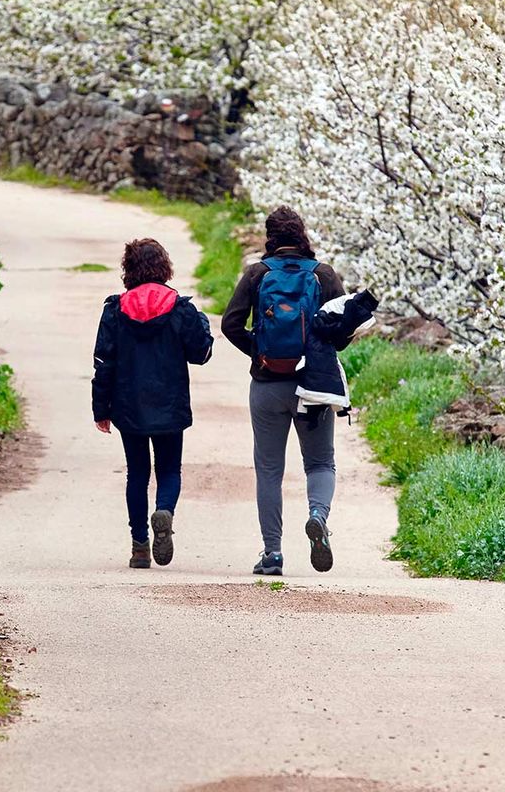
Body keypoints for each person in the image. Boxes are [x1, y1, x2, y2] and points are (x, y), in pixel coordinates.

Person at [221, 206, 346, 577]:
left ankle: (273, 554)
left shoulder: (257, 274)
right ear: (302, 234)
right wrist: (320, 356)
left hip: (267, 384)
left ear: (270, 236)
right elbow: (343, 329)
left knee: (270, 470)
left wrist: (259, 352)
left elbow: (230, 324)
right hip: (313, 388)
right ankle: (317, 515)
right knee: (320, 463)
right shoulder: (323, 275)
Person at [92, 238, 213, 569]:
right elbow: (200, 353)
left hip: (128, 405)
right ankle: (164, 511)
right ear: (164, 267)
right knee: (169, 469)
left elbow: (103, 361)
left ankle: (140, 546)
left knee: (137, 473)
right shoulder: (179, 308)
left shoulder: (116, 310)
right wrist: (202, 323)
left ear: (128, 269)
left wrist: (100, 409)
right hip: (170, 403)